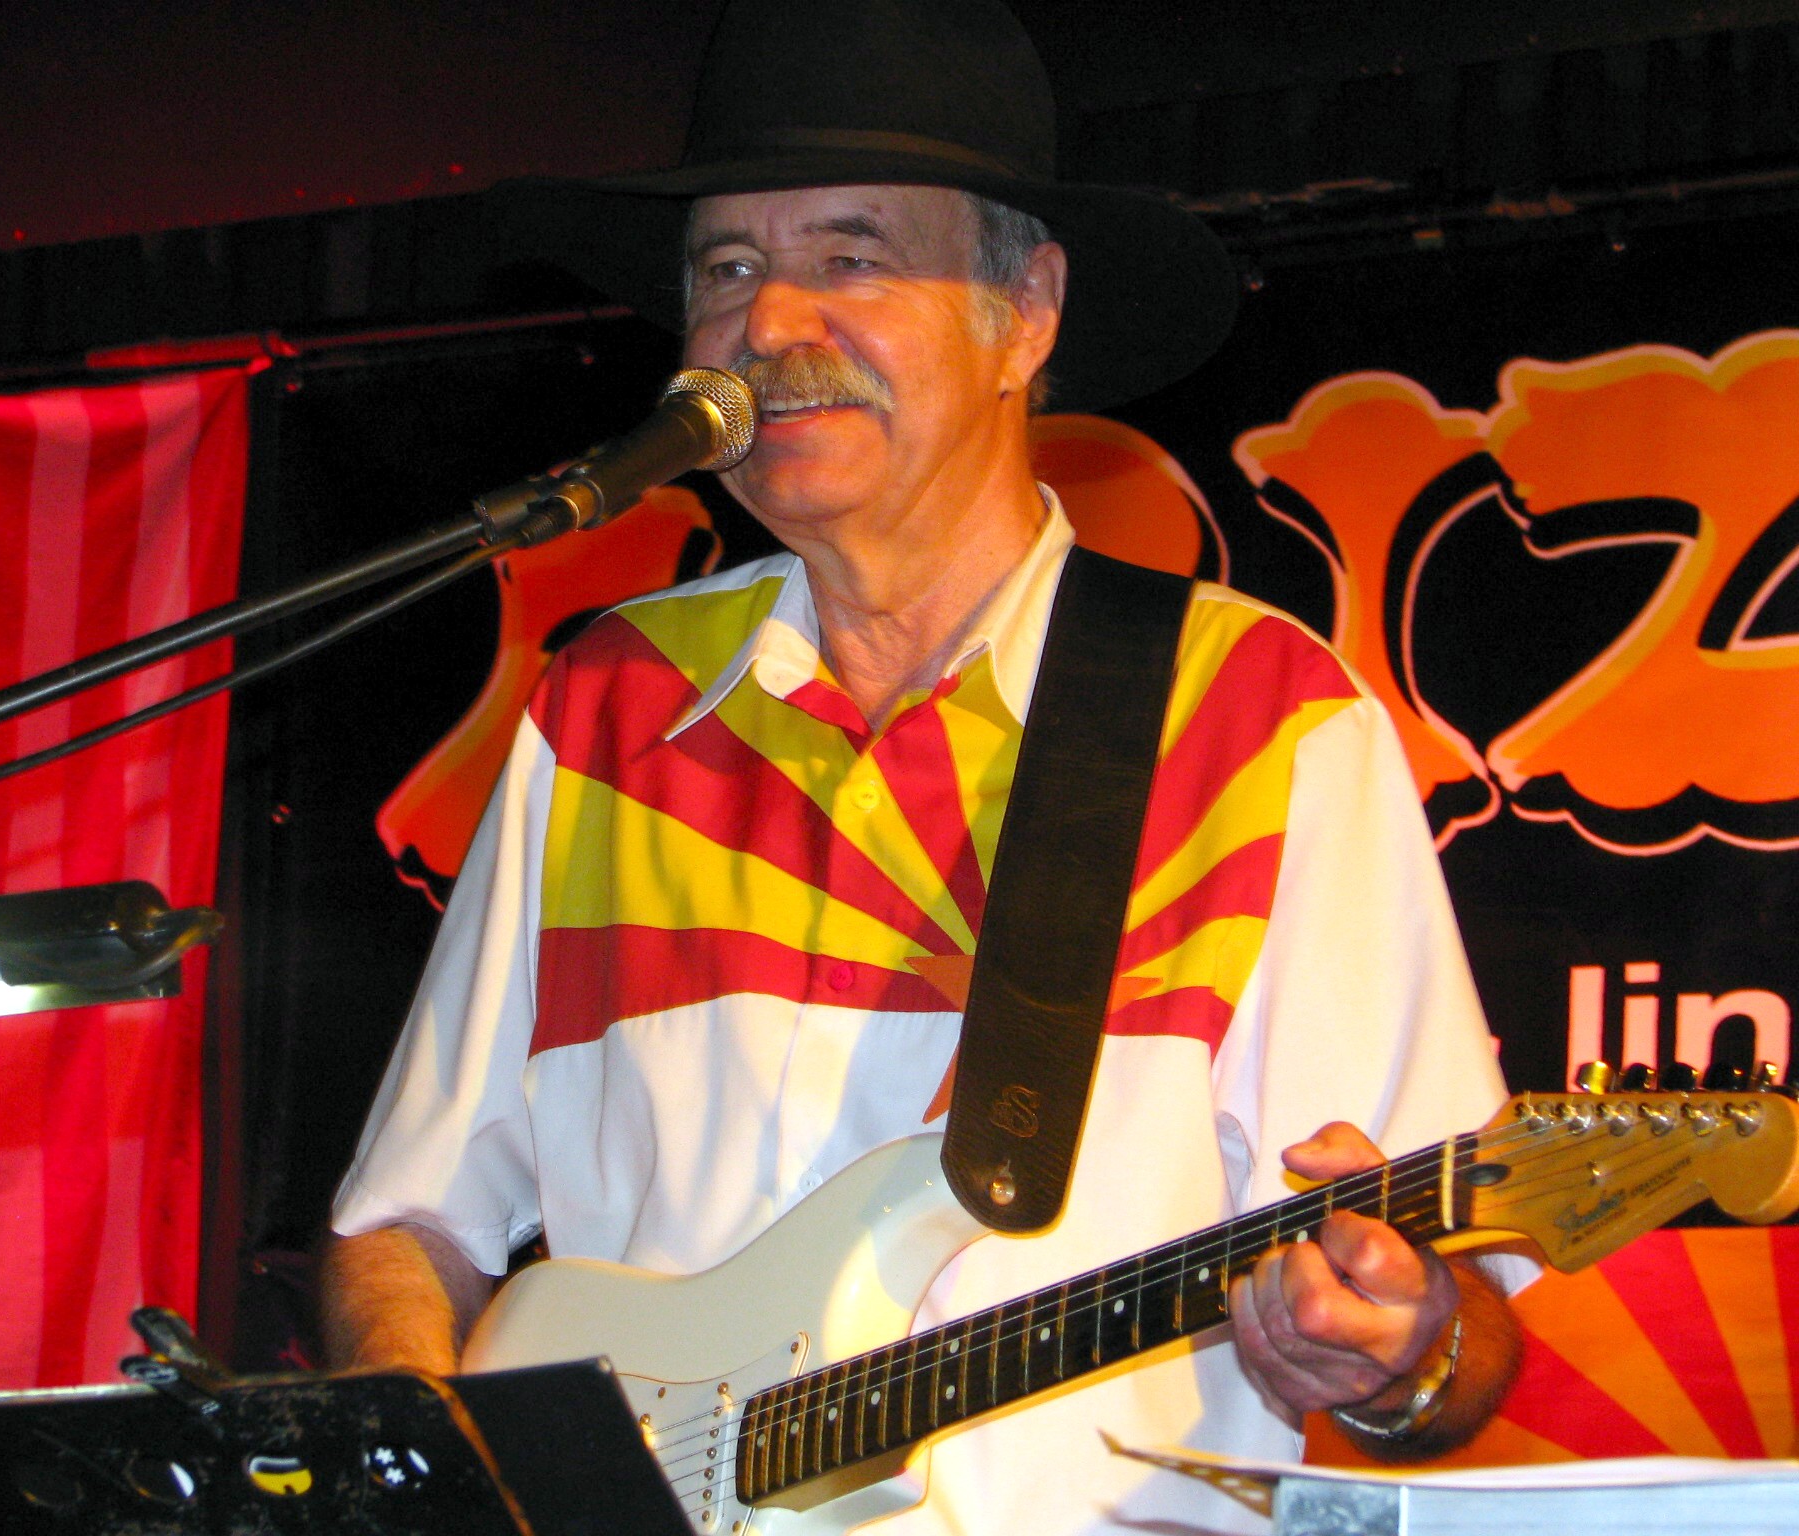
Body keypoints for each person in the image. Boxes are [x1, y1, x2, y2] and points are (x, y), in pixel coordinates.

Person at [324, 1, 1526, 1530]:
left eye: (852, 258)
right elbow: (407, 1228)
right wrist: (435, 1474)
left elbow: (1457, 1339)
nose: (769, 323)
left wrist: (1402, 1349)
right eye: (727, 270)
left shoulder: (1259, 716)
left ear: (1026, 312)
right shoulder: (610, 705)